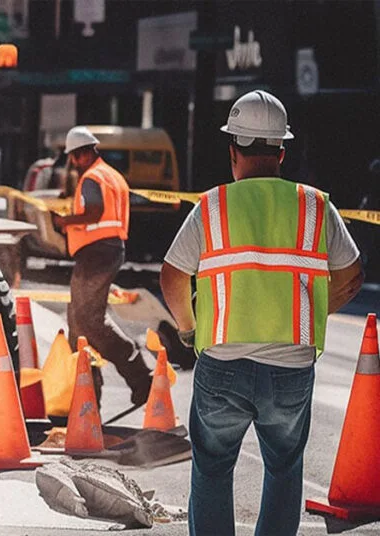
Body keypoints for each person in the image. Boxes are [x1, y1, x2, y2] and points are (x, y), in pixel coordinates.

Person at [159, 90, 363, 535]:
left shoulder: (211, 207)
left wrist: (190, 331)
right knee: (284, 469)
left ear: (233, 150)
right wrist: (310, 316)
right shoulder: (314, 206)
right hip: (291, 365)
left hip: (223, 363)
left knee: (212, 469)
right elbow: (351, 275)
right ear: (281, 153)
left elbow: (172, 277)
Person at [52, 126, 152, 406]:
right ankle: (88, 393)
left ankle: (138, 376)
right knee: (80, 320)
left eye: (73, 156)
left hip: (96, 253)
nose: (72, 162)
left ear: (78, 154)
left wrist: (64, 222)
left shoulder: (93, 177)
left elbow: (93, 212)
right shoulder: (112, 175)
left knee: (88, 322)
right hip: (107, 251)